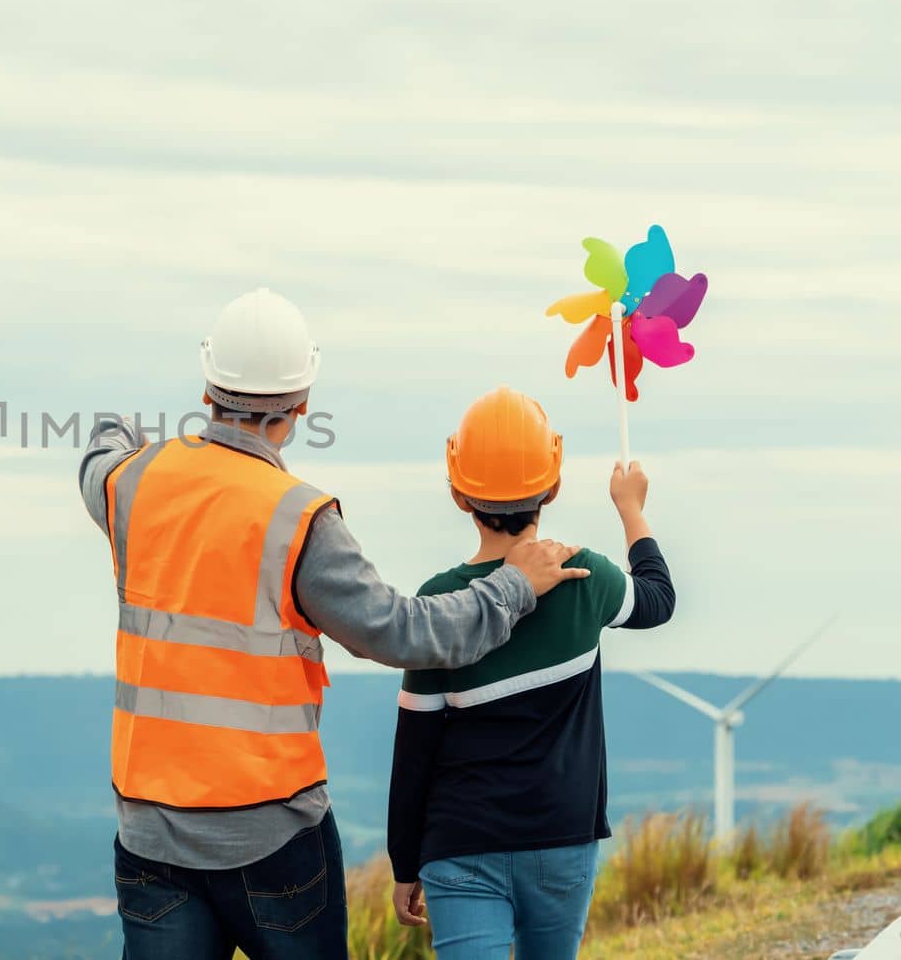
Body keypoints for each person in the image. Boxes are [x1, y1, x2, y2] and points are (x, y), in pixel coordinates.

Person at [78, 290, 594, 960]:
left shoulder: (133, 483)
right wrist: (514, 586)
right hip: (272, 838)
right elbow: (408, 632)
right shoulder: (300, 519)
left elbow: (99, 454)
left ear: (208, 386)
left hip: (150, 833)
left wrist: (123, 430)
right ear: (300, 402)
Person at [386, 387, 677, 960]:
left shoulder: (440, 601)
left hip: (459, 843)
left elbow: (415, 746)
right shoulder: (585, 576)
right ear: (555, 483)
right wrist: (631, 508)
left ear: (457, 492)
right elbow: (657, 601)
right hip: (561, 838)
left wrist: (404, 860)